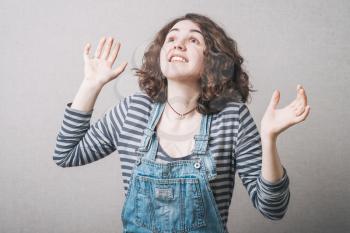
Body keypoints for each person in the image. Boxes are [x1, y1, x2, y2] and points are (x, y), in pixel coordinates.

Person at [53, 13, 310, 233]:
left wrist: (269, 140)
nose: (178, 44)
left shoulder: (231, 118)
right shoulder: (133, 110)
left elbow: (273, 208)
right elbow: (67, 154)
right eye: (172, 39)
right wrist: (91, 85)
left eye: (193, 40)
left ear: (214, 59)